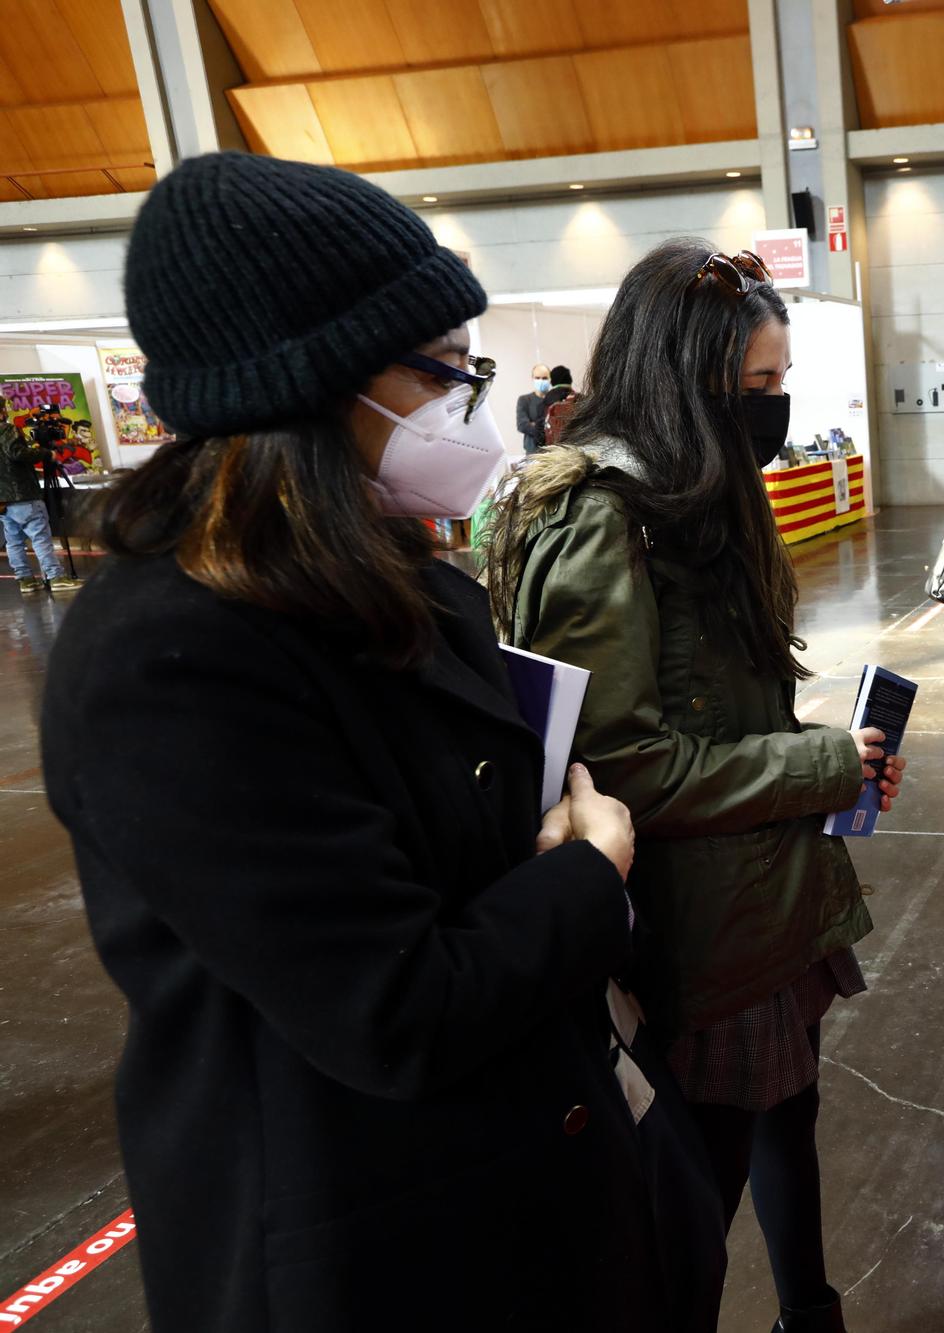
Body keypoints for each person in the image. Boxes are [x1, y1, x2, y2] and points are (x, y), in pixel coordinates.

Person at [39, 152, 725, 1333]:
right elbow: (392, 1005)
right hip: (379, 1236)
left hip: (537, 1157)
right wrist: (587, 868)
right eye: (442, 372)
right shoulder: (170, 660)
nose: (465, 402)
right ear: (316, 383)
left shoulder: (393, 576)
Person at [484, 238, 906, 1333]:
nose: (774, 408)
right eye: (756, 385)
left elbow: (712, 711)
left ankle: (808, 1306)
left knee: (787, 1109)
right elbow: (621, 768)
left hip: (761, 888)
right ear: (686, 375)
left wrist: (822, 763)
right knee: (688, 1199)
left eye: (779, 384)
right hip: (694, 922)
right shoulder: (603, 516)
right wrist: (820, 762)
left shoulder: (694, 490)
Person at [1, 415, 75, 594]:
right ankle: (55, 576)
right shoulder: (6, 429)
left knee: (13, 541)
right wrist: (45, 453)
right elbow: (18, 453)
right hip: (23, 494)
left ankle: (26, 580)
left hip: (3, 501)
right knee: (40, 537)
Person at [517, 360, 552, 452]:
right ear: (532, 378)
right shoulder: (524, 400)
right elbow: (522, 425)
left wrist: (535, 424)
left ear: (550, 379)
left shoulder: (555, 400)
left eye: (544, 378)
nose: (541, 380)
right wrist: (547, 428)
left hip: (553, 452)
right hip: (533, 452)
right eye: (537, 378)